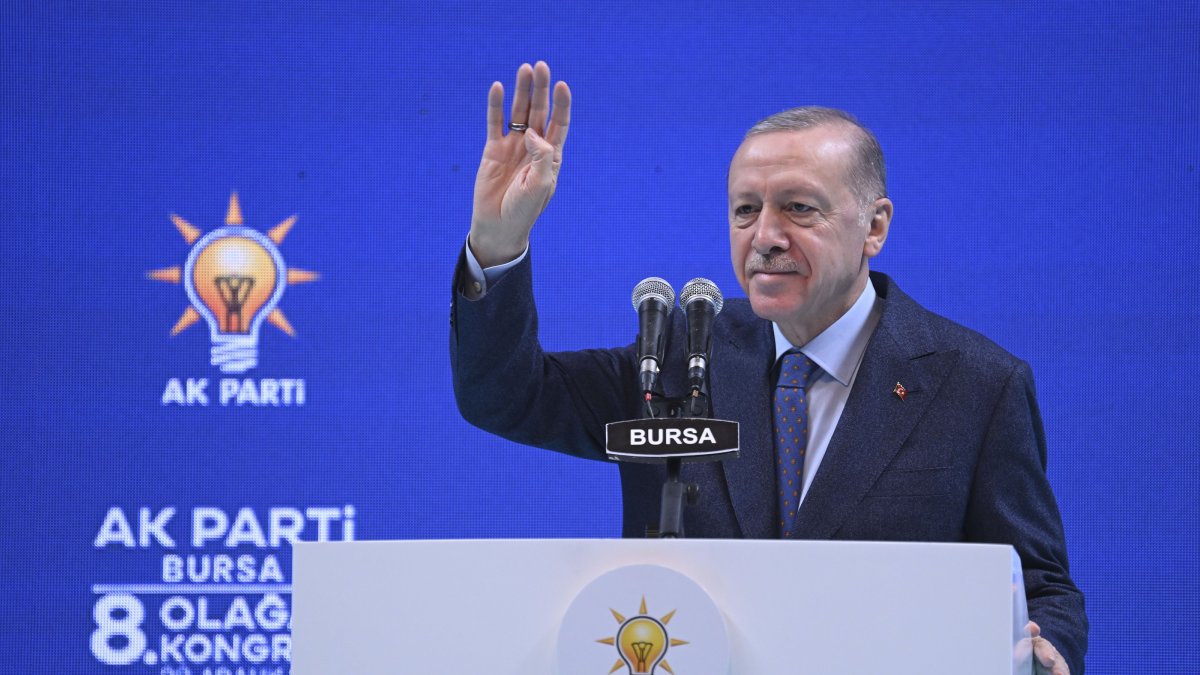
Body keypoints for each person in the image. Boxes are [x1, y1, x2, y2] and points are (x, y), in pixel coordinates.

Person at [450, 61, 1087, 674]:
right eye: (745, 209)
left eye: (799, 208)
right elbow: (503, 395)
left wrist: (1047, 648)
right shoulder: (675, 353)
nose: (765, 236)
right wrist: (497, 243)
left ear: (875, 226)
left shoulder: (974, 384)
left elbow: (1039, 586)